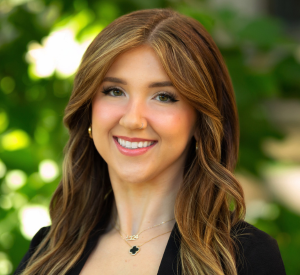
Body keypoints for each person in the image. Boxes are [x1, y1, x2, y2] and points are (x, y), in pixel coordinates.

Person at [14, 8, 286, 275]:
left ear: (200, 120)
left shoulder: (244, 258)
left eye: (164, 96)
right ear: (88, 109)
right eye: (114, 91)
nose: (133, 120)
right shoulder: (46, 252)